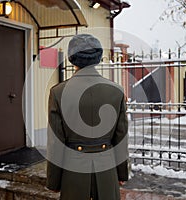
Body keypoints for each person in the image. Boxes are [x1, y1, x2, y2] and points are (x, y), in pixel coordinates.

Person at [46, 34, 128, 200]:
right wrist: (122, 174)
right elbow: (121, 138)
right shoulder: (116, 91)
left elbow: (56, 143)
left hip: (73, 170)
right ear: (97, 57)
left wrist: (53, 181)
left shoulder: (58, 92)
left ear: (72, 58)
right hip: (107, 168)